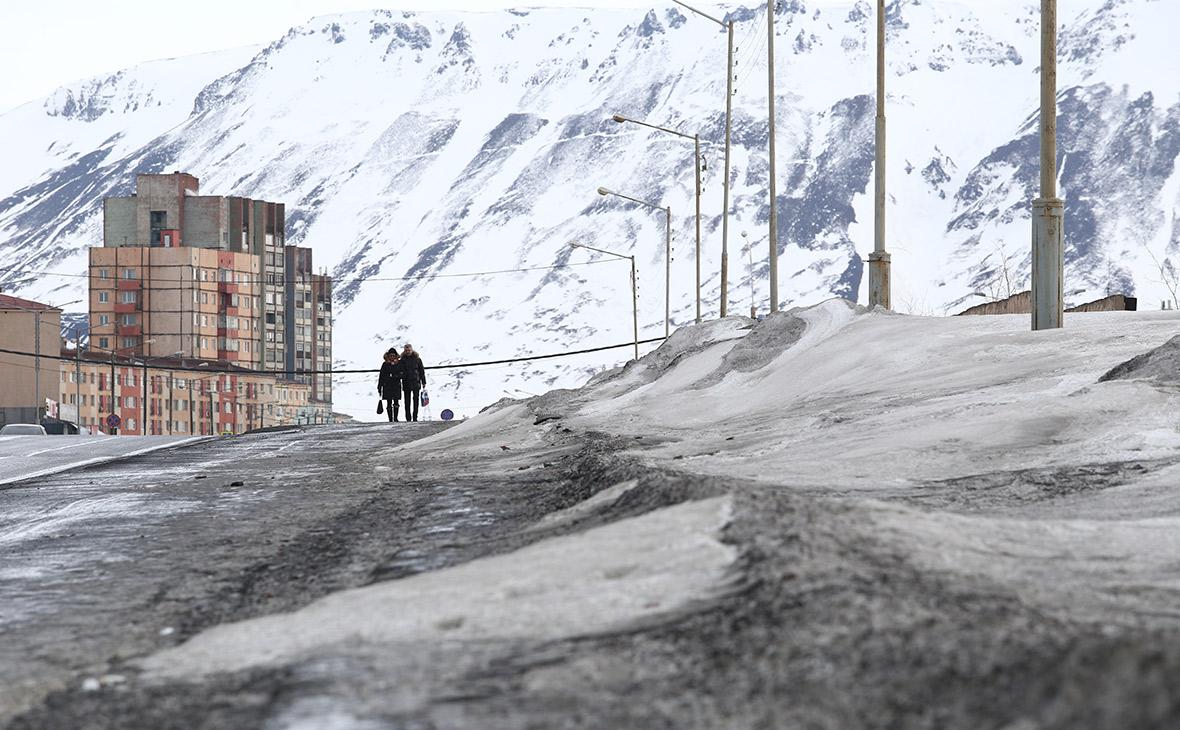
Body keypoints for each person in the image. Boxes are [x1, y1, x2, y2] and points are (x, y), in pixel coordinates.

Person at [399, 343, 426, 422]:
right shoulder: (402, 360)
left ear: (412, 350)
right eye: (406, 350)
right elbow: (399, 370)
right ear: (404, 351)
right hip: (406, 382)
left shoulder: (417, 359)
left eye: (409, 350)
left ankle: (415, 417)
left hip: (415, 382)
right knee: (407, 401)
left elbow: (421, 371)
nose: (408, 352)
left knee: (416, 400)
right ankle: (408, 418)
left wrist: (423, 381)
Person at [377, 348, 402, 422]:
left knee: (396, 402)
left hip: (396, 385)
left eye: (393, 355)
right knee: (389, 402)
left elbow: (402, 374)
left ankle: (395, 418)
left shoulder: (399, 364)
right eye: (390, 355)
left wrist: (395, 376)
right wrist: (379, 386)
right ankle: (390, 419)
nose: (392, 357)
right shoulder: (385, 364)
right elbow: (381, 376)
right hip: (387, 385)